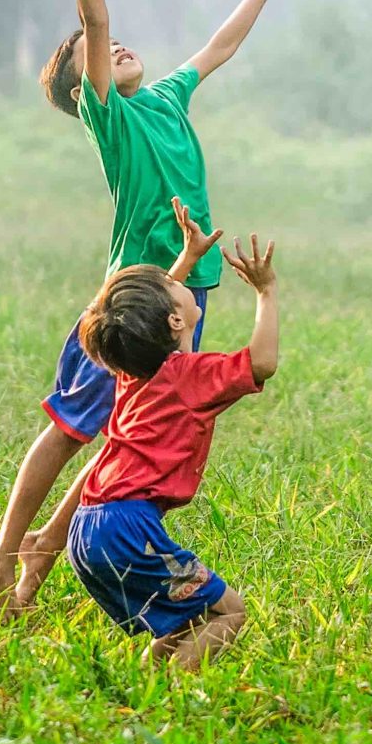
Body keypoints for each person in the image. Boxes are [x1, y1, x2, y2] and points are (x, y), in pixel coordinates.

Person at [0, 0, 302, 616]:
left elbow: (218, 46)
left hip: (189, 291)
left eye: (118, 42)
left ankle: (37, 572)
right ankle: (4, 557)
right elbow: (94, 20)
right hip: (132, 298)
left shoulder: (163, 98)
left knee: (131, 436)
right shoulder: (112, 118)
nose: (114, 44)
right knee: (70, 428)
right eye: (92, 53)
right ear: (79, 89)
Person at [62, 221, 281, 669]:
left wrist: (187, 259)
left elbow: (148, 318)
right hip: (128, 531)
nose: (173, 281)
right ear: (176, 320)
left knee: (187, 618)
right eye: (170, 286)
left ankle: (148, 681)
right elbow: (262, 362)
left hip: (87, 529)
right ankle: (175, 695)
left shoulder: (132, 368)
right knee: (229, 611)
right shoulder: (190, 378)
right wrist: (266, 292)